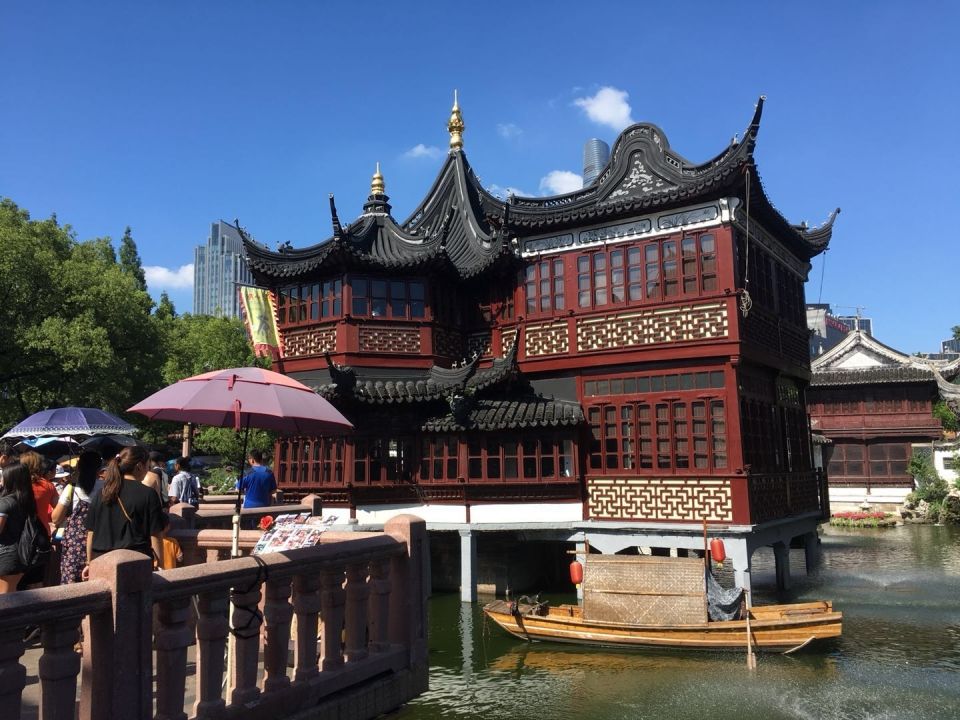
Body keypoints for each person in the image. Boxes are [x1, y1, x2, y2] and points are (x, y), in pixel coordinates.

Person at [82, 446, 166, 577]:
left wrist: (89, 563)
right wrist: (160, 563)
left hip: (102, 561)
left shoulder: (102, 493)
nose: (148, 470)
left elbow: (91, 533)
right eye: (147, 466)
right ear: (139, 466)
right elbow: (155, 533)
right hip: (136, 562)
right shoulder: (148, 494)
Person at [51, 450, 102, 584]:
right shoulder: (107, 487)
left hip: (75, 544)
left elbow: (55, 518)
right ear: (100, 468)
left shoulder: (72, 488)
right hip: (101, 541)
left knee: (72, 583)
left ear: (79, 467)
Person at [0, 463, 38, 593]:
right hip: (22, 554)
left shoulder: (5, 503)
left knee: (5, 600)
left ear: (10, 479)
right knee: (11, 595)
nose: (1, 480)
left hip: (5, 556)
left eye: (3, 476)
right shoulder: (26, 501)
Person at [19, 451, 59, 529]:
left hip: (17, 532)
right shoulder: (48, 485)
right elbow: (58, 510)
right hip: (41, 530)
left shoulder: (15, 483)